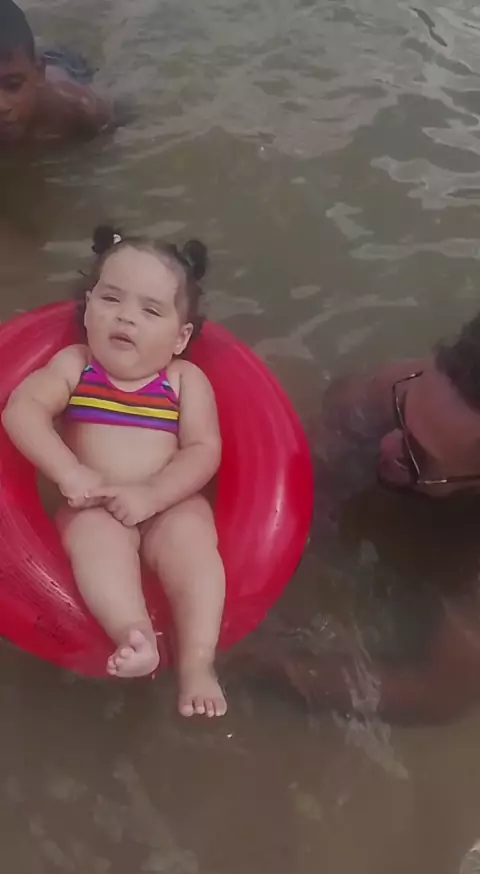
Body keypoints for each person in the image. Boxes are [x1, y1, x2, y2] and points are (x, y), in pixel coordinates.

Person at [2, 226, 227, 719]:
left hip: (167, 502)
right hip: (95, 502)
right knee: (93, 541)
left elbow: (203, 450)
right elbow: (22, 410)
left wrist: (154, 494)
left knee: (194, 547)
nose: (125, 316)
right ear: (87, 308)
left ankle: (197, 663)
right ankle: (134, 633)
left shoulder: (183, 380)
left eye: (151, 310)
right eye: (110, 299)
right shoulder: (76, 366)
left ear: (181, 337)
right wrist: (69, 472)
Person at [239, 313, 480, 724]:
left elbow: (437, 695)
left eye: (417, 456)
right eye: (401, 413)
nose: (386, 444)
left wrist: (270, 666)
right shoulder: (413, 382)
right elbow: (316, 449)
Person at [0, 0, 112, 147]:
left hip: (63, 64)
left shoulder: (77, 109)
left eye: (13, 86)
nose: (1, 105)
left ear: (39, 73)